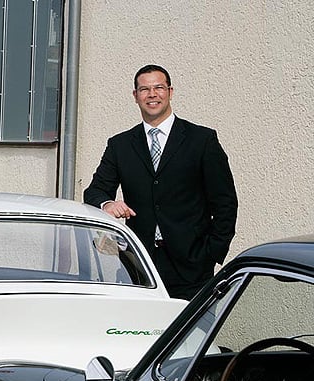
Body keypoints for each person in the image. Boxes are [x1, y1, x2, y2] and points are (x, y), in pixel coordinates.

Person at [83, 64, 237, 300]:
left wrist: (211, 253)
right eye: (144, 89)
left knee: (193, 335)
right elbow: (94, 191)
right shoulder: (120, 145)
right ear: (135, 96)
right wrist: (107, 204)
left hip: (192, 268)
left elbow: (225, 203)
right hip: (137, 266)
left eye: (158, 88)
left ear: (170, 92)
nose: (152, 94)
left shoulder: (202, 140)